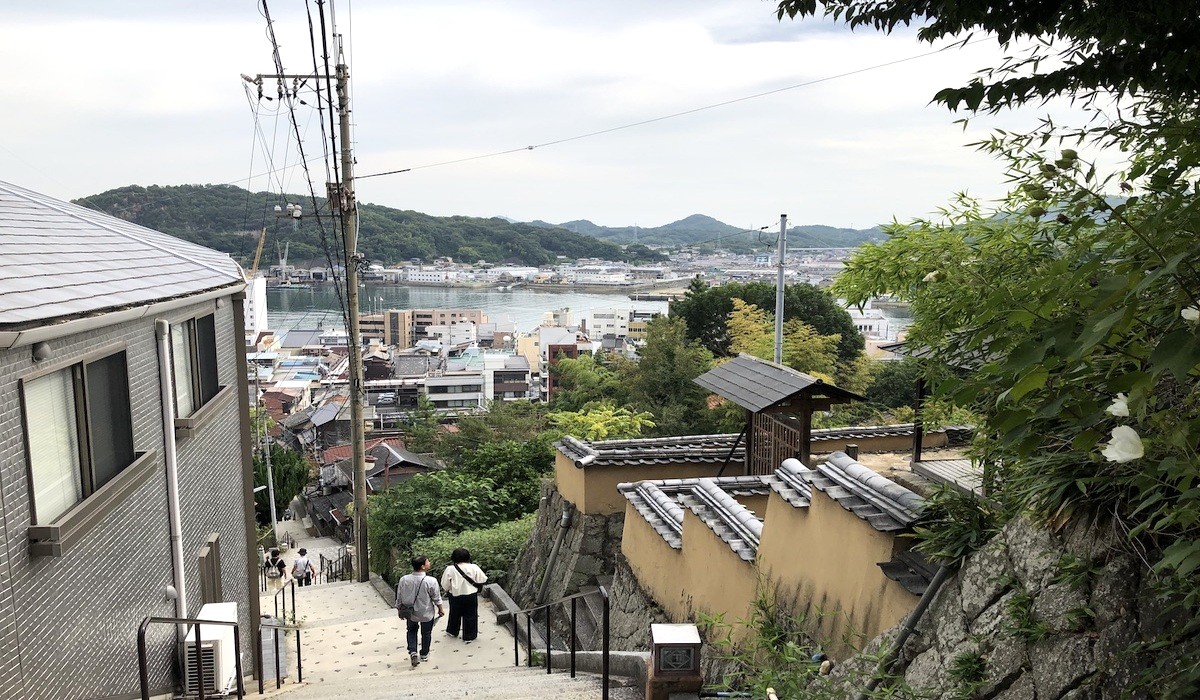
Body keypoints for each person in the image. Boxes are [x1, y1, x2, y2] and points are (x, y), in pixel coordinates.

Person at [395, 555, 444, 667]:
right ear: (423, 566)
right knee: (426, 633)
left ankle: (413, 651)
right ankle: (424, 654)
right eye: (427, 561)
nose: (429, 563)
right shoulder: (431, 581)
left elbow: (399, 596)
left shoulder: (404, 579)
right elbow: (436, 597)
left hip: (410, 612)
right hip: (426, 612)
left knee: (411, 630)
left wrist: (399, 609)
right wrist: (440, 609)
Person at [439, 548, 488, 643]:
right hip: (470, 595)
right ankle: (469, 636)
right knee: (470, 614)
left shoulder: (450, 569)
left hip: (455, 595)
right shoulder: (474, 567)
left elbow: (445, 584)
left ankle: (452, 631)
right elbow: (482, 579)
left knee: (454, 613)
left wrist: (448, 589)